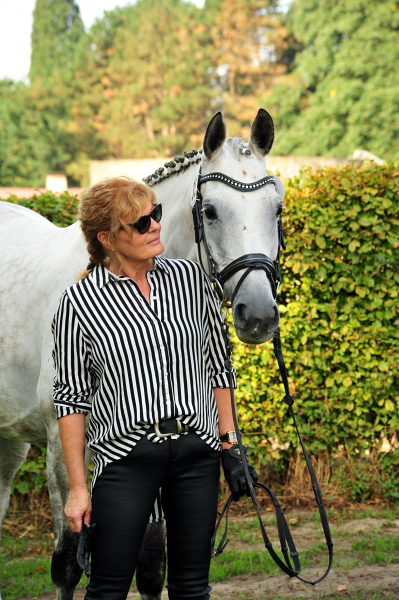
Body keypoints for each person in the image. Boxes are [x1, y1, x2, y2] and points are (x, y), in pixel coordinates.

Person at [52, 176, 257, 600]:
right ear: (107, 238)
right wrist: (77, 488)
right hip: (125, 462)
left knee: (192, 589)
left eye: (156, 214)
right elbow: (71, 401)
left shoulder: (192, 281)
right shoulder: (78, 304)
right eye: (140, 222)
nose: (155, 226)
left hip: (196, 459)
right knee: (107, 589)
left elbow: (220, 367)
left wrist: (230, 444)